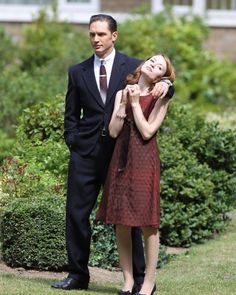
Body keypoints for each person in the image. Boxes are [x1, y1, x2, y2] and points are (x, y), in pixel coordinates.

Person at [51, 14, 174, 292]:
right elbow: (70, 114)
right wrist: (74, 141)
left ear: (114, 36)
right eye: (92, 34)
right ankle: (78, 275)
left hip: (124, 154)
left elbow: (160, 78)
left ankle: (139, 281)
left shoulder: (132, 65)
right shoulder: (77, 71)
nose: (96, 39)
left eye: (101, 34)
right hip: (86, 153)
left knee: (130, 217)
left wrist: (169, 86)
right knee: (76, 213)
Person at [96, 54, 176, 295]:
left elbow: (148, 131)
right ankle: (128, 281)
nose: (153, 64)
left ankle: (149, 283)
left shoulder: (160, 97)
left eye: (159, 66)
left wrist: (134, 104)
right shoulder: (123, 92)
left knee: (147, 223)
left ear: (161, 77)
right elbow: (112, 131)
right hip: (121, 158)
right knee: (120, 222)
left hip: (144, 160)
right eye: (152, 60)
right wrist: (122, 105)